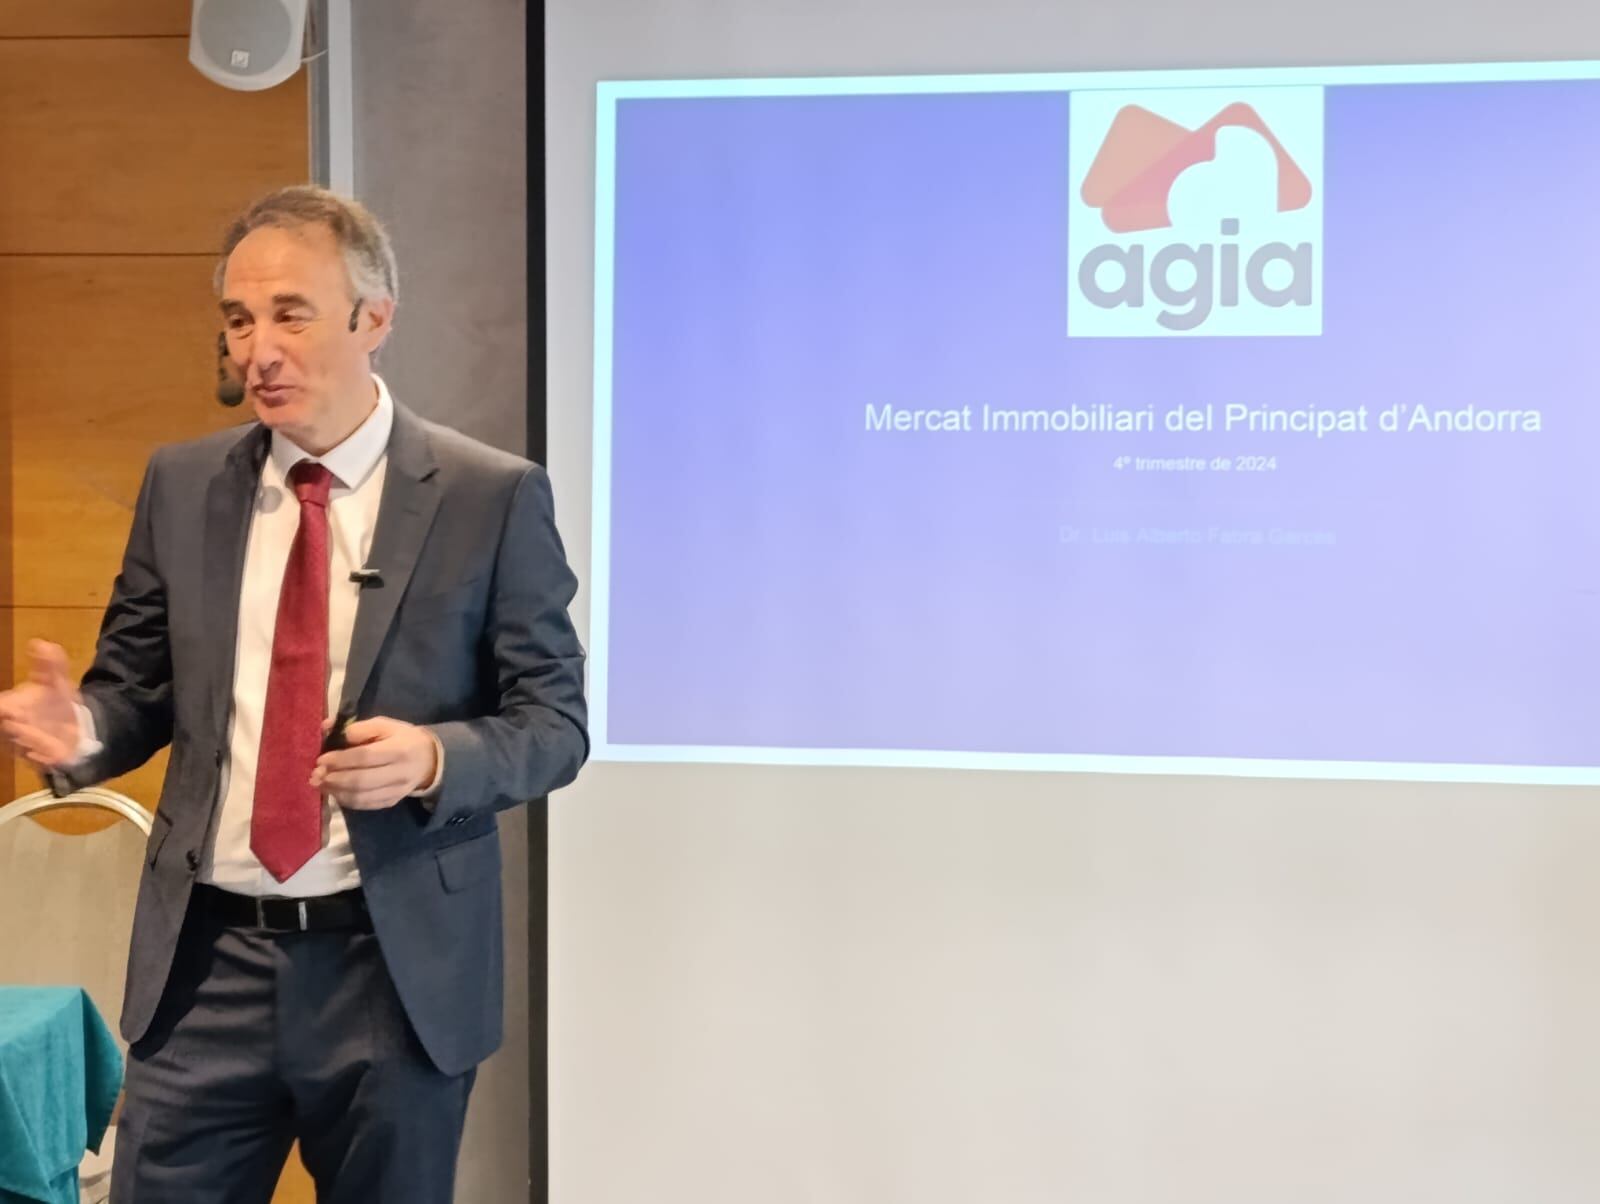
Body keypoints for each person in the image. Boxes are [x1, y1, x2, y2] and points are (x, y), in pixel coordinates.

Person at [0, 185, 588, 1202]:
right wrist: (81, 730)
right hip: (206, 967)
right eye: (237, 319)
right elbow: (131, 690)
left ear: (373, 319)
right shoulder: (184, 486)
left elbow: (554, 724)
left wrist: (439, 758)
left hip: (391, 972)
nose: (256, 348)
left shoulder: (488, 496)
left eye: (289, 314)